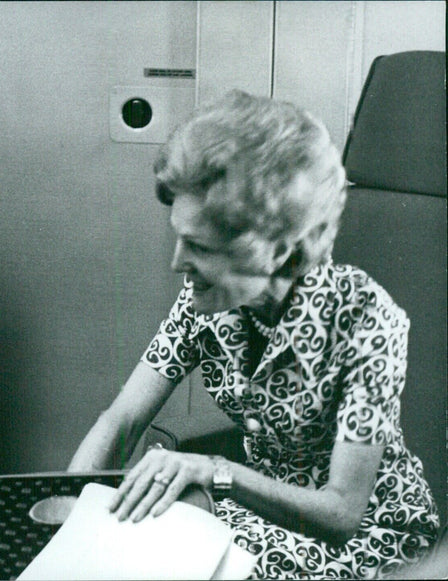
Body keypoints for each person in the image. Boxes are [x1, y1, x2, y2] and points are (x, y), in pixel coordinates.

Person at [68, 90, 439, 578]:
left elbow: (342, 514)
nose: (177, 263)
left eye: (197, 246)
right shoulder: (203, 303)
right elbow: (121, 421)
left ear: (273, 250)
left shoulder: (368, 320)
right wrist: (72, 513)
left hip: (369, 537)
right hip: (258, 514)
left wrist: (214, 472)